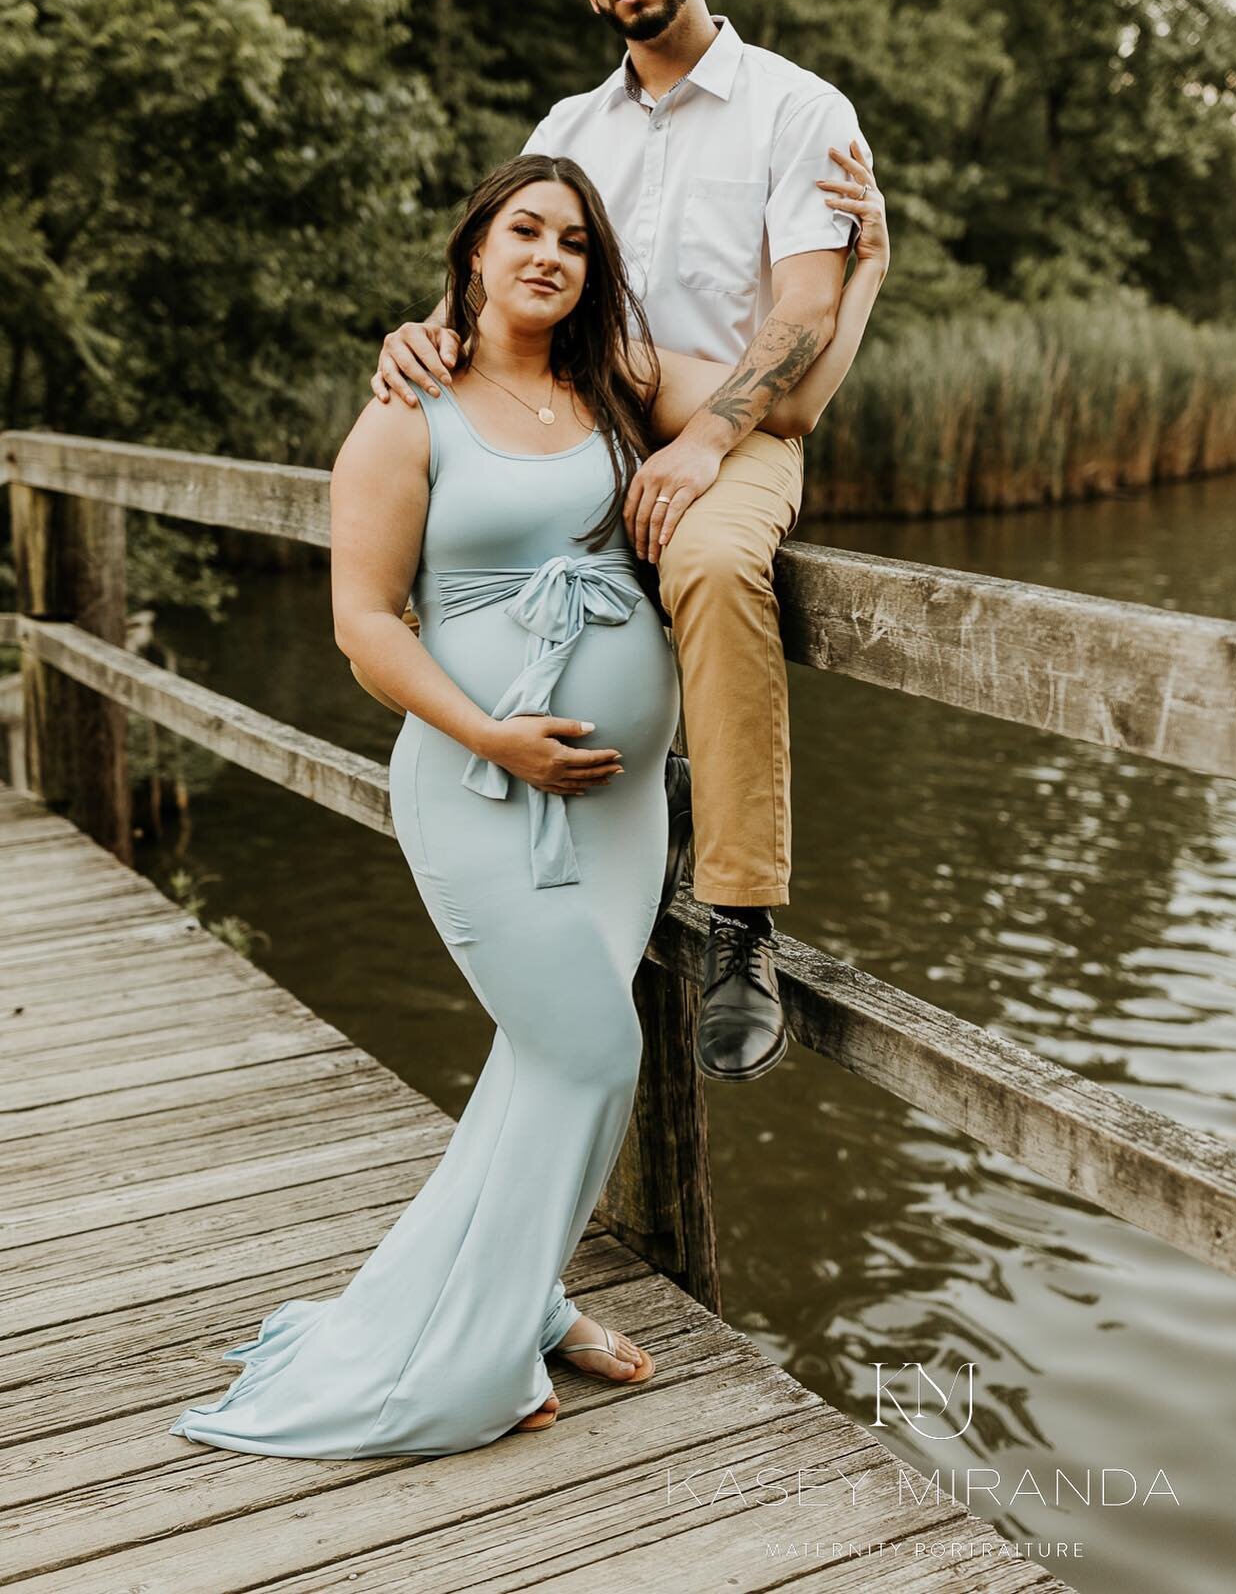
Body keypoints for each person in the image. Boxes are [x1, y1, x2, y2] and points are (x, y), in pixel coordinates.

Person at [167, 150, 881, 1458]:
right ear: (477, 252)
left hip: (614, 814)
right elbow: (362, 625)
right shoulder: (409, 410)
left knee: (536, 1063)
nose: (549, 255)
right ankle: (474, 1344)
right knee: (592, 1051)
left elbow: (786, 409)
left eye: (573, 241)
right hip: (483, 783)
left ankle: (525, 1303)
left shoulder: (621, 387)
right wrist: (493, 729)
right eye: (524, 232)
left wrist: (869, 268)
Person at [371, 0, 886, 1085]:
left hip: (736, 428)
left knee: (709, 563)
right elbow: (507, 267)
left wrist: (707, 439)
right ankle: (518, 859)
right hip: (582, 416)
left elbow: (805, 314)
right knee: (461, 549)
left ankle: (741, 921)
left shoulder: (798, 108)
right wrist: (423, 329)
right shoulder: (570, 130)